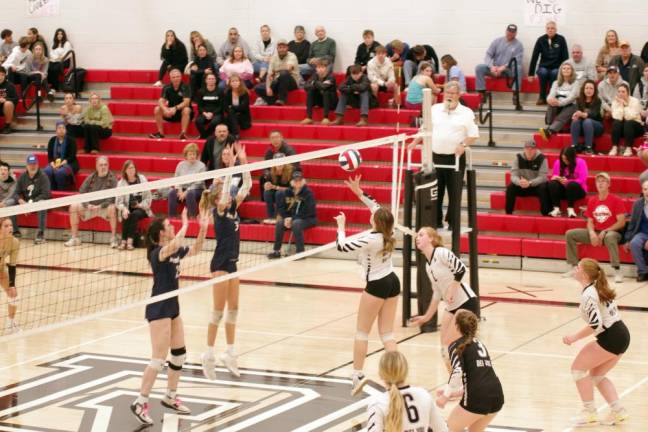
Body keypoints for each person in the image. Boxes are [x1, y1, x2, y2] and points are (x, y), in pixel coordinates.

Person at [130, 209, 208, 426]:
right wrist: (185, 223)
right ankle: (140, 402)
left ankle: (170, 396)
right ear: (162, 234)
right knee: (158, 359)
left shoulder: (173, 250)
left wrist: (202, 228)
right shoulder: (158, 253)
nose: (173, 227)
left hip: (173, 307)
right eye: (170, 226)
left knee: (179, 355)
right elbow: (174, 244)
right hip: (159, 309)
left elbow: (197, 249)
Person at [333, 175, 399, 395]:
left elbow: (342, 247)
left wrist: (341, 226)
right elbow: (377, 207)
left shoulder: (372, 239)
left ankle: (357, 375)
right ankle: (397, 378)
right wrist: (358, 192)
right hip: (392, 280)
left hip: (377, 285)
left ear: (376, 222)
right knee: (387, 334)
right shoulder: (390, 230)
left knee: (362, 332)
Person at [201, 144, 252, 380]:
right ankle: (208, 354)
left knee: (234, 311)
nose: (227, 190)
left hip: (232, 264)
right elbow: (224, 192)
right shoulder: (219, 209)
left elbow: (248, 186)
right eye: (222, 187)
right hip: (220, 265)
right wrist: (231, 166)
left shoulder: (233, 208)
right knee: (217, 313)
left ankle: (230, 353)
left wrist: (245, 161)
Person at [562, 258, 630, 427]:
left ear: (584, 274)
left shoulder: (589, 294)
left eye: (577, 267)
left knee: (578, 370)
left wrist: (574, 337)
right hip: (621, 334)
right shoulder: (596, 288)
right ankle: (619, 411)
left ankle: (589, 413)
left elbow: (594, 324)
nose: (575, 269)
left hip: (612, 336)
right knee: (597, 375)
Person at [409, 227, 479, 371]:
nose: (417, 237)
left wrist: (452, 289)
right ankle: (454, 383)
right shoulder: (428, 266)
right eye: (417, 235)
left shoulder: (441, 252)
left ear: (431, 239)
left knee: (450, 344)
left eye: (421, 235)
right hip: (452, 307)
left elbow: (461, 268)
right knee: (444, 349)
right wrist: (426, 317)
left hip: (466, 302)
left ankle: (463, 381)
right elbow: (437, 293)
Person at [416, 81, 479, 230]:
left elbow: (473, 135)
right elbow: (424, 128)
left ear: (458, 95)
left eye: (452, 93)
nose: (449, 96)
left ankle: (452, 222)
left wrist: (463, 145)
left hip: (455, 158)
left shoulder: (466, 112)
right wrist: (414, 141)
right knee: (435, 192)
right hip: (435, 156)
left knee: (454, 192)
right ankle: (436, 221)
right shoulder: (435, 109)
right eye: (447, 93)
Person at [437, 309, 504, 432]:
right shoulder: (480, 344)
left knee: (450, 429)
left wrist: (445, 396)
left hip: (478, 397)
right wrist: (454, 393)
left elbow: (457, 372)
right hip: (497, 396)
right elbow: (479, 377)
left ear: (457, 326)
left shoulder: (456, 345)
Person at [562, 173, 626, 283]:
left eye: (603, 181)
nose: (600, 183)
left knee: (610, 237)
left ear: (609, 184)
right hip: (596, 231)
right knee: (570, 234)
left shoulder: (616, 200)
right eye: (598, 181)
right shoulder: (592, 200)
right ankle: (574, 267)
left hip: (612, 232)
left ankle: (617, 270)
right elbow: (590, 221)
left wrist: (605, 231)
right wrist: (591, 233)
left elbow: (621, 222)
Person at [365, 351, 448, 432]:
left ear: (380, 374)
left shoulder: (377, 403)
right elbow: (443, 429)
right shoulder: (423, 394)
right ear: (406, 371)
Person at [64, 156, 118, 248]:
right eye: (101, 165)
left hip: (104, 208)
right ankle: (74, 238)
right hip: (89, 208)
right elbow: (81, 192)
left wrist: (101, 206)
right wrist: (87, 205)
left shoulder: (113, 179)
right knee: (73, 207)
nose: (103, 167)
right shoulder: (91, 177)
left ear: (108, 165)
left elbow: (113, 197)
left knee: (112, 208)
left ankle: (113, 238)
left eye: (105, 165)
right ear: (96, 166)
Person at [267, 171, 316, 258]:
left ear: (303, 181)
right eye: (296, 180)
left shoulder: (308, 193)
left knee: (296, 223)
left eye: (299, 180)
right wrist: (286, 218)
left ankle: (301, 253)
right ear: (292, 182)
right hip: (292, 218)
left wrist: (292, 219)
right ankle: (276, 251)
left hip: (308, 219)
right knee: (279, 223)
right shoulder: (287, 192)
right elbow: (281, 208)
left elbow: (308, 210)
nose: (297, 182)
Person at [474, 24, 524, 109]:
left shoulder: (518, 45)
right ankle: (482, 93)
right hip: (494, 69)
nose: (510, 33)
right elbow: (488, 55)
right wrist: (491, 67)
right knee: (479, 67)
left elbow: (517, 60)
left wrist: (503, 67)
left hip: (507, 71)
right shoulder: (497, 41)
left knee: (519, 68)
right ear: (506, 31)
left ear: (516, 33)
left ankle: (515, 95)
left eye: (513, 32)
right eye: (509, 31)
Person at [11, 154, 50, 244]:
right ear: (27, 166)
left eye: (34, 164)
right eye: (30, 164)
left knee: (42, 203)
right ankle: (15, 231)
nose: (32, 166)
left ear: (38, 164)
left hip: (37, 202)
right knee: (11, 203)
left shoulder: (43, 176)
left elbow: (46, 194)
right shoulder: (22, 176)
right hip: (25, 203)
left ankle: (41, 234)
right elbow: (15, 193)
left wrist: (31, 205)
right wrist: (20, 201)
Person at [528, 21, 569, 105]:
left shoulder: (561, 39)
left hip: (556, 67)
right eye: (548, 28)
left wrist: (566, 71)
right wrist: (530, 74)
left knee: (554, 73)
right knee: (543, 72)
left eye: (552, 28)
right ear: (546, 30)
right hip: (544, 66)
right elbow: (534, 57)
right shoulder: (541, 40)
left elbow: (565, 57)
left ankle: (550, 96)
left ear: (556, 29)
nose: (550, 30)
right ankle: (542, 97)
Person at [116, 160, 153, 251]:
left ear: (135, 169)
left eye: (132, 168)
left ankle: (129, 241)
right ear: (125, 170)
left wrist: (140, 205)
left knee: (135, 214)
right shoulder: (121, 183)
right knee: (127, 214)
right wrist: (124, 209)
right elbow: (118, 202)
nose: (131, 170)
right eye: (129, 168)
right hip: (127, 208)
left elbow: (149, 198)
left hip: (142, 208)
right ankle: (124, 241)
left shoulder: (142, 179)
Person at [505, 140, 549, 215]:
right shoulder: (518, 158)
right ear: (524, 149)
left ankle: (545, 213)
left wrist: (530, 183)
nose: (529, 151)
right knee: (510, 187)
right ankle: (508, 213)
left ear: (535, 150)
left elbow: (543, 177)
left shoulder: (542, 158)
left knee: (543, 187)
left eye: (532, 149)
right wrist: (519, 182)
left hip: (535, 186)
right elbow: (513, 175)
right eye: (527, 149)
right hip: (522, 185)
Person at [538, 62, 579, 142]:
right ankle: (549, 125)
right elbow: (551, 94)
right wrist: (549, 100)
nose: (566, 70)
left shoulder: (575, 83)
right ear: (561, 71)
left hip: (570, 105)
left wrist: (559, 103)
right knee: (551, 102)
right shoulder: (556, 83)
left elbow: (571, 97)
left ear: (572, 71)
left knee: (569, 108)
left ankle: (549, 130)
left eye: (568, 68)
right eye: (564, 68)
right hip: (557, 104)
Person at [149, 69, 192, 141]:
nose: (176, 79)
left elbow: (186, 102)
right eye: (174, 77)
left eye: (178, 76)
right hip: (170, 113)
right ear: (170, 78)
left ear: (181, 77)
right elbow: (161, 100)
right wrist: (165, 109)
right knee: (157, 109)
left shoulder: (186, 87)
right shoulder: (167, 87)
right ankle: (160, 133)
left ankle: (183, 133)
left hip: (182, 113)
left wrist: (175, 108)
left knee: (186, 109)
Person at [254, 40, 299, 106]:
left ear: (287, 48)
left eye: (284, 47)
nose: (282, 49)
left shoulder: (292, 55)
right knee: (258, 87)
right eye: (280, 47)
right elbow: (269, 74)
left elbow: (288, 68)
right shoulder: (274, 57)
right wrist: (268, 88)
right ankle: (272, 101)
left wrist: (275, 71)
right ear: (277, 48)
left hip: (291, 82)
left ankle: (281, 99)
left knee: (283, 73)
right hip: (277, 81)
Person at [547, 146, 588, 218]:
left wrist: (568, 181)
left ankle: (570, 209)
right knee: (552, 183)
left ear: (572, 158)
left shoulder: (581, 162)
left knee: (572, 185)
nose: (564, 161)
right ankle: (557, 209)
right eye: (562, 158)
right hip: (563, 190)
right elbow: (554, 176)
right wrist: (557, 178)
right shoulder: (558, 162)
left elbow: (582, 179)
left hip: (577, 191)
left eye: (566, 159)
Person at [168, 143, 206, 218]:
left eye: (194, 154)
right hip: (182, 188)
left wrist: (186, 192)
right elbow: (176, 179)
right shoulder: (180, 165)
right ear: (186, 155)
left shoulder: (202, 166)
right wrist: (179, 190)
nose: (192, 156)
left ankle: (192, 217)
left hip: (197, 189)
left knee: (190, 193)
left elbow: (199, 183)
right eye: (190, 154)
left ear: (197, 155)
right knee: (171, 193)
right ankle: (172, 217)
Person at [623, 179, 648, 282]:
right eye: (645, 189)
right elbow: (632, 224)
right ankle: (643, 272)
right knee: (634, 243)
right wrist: (627, 240)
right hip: (642, 233)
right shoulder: (637, 204)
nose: (647, 192)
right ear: (642, 191)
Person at [609, 82, 643, 157]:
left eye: (623, 91)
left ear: (628, 93)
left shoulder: (635, 101)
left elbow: (630, 117)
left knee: (629, 123)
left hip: (636, 127)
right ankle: (614, 147)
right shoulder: (615, 102)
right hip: (623, 128)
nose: (621, 93)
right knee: (616, 123)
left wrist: (625, 105)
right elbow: (617, 117)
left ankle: (628, 148)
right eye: (619, 91)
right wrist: (621, 105)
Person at [570, 80, 604, 154]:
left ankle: (589, 147)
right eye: (587, 88)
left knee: (587, 121)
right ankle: (574, 146)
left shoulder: (598, 101)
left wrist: (582, 114)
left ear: (595, 90)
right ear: (583, 89)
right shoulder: (578, 100)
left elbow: (593, 114)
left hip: (596, 127)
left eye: (591, 88)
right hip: (582, 127)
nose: (589, 90)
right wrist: (575, 115)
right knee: (575, 121)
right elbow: (576, 112)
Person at [44, 121, 78, 191]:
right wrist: (53, 165)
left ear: (66, 130)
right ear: (56, 131)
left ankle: (61, 191)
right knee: (47, 171)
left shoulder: (71, 140)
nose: (61, 130)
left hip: (69, 163)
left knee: (60, 172)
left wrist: (60, 165)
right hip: (55, 163)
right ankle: (51, 190)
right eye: (59, 128)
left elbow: (72, 156)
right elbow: (50, 157)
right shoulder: (52, 140)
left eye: (63, 128)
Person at [0, 217, 20, 334]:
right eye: (6, 226)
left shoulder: (14, 242)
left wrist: (12, 284)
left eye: (11, 225)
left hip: (0, 270)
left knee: (14, 294)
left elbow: (12, 265)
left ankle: (10, 323)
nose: (10, 228)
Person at [301, 60, 337, 125]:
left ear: (326, 68)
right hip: (319, 101)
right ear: (316, 69)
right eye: (319, 67)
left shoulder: (331, 77)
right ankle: (309, 117)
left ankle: (326, 117)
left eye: (322, 67)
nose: (320, 69)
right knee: (310, 91)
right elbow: (306, 86)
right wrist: (316, 85)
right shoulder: (314, 76)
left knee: (326, 92)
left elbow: (324, 87)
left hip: (331, 102)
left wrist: (314, 83)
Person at [261, 154, 293, 224]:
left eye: (281, 162)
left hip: (289, 195)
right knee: (267, 193)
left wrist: (275, 187)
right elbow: (267, 183)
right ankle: (271, 217)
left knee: (279, 193)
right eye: (277, 162)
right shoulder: (271, 171)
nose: (279, 164)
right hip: (277, 194)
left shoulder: (290, 171)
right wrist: (266, 185)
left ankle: (277, 216)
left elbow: (292, 190)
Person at [195, 73, 224, 139]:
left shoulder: (220, 91)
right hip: (204, 112)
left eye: (213, 79)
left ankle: (204, 136)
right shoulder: (201, 91)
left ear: (215, 80)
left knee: (214, 123)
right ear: (206, 80)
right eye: (209, 79)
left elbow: (221, 106)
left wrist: (212, 113)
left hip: (216, 113)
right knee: (198, 121)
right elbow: (199, 106)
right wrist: (205, 113)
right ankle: (206, 136)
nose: (211, 80)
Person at [47, 28, 72, 98]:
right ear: (56, 35)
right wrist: (55, 58)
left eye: (61, 34)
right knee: (49, 68)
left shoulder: (67, 43)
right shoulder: (54, 43)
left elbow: (66, 54)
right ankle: (52, 87)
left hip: (64, 61)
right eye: (58, 34)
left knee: (55, 68)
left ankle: (55, 87)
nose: (59, 35)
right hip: (54, 60)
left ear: (63, 35)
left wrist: (59, 58)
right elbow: (51, 53)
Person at [0, 66, 18, 134]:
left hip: (4, 109)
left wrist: (5, 99)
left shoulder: (9, 85)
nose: (0, 77)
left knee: (8, 103)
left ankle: (7, 126)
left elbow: (16, 99)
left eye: (2, 75)